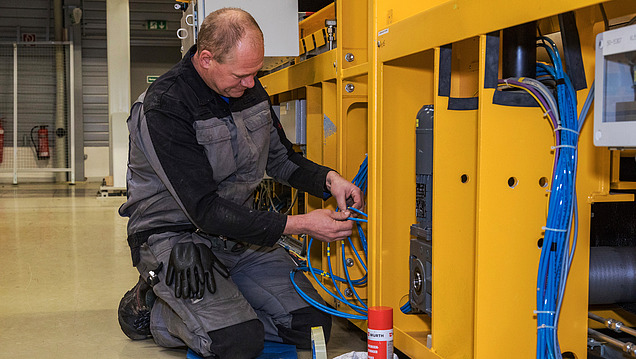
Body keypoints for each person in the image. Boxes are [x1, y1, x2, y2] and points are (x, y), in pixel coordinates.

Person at [117, 7, 364, 359]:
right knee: (236, 341)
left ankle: (220, 304)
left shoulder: (246, 88)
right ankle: (155, 309)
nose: (251, 84)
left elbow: (281, 158)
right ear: (206, 59)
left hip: (237, 235)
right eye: (242, 75)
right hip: (175, 237)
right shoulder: (164, 106)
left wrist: (329, 180)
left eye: (255, 73)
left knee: (312, 327)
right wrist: (303, 225)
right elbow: (204, 208)